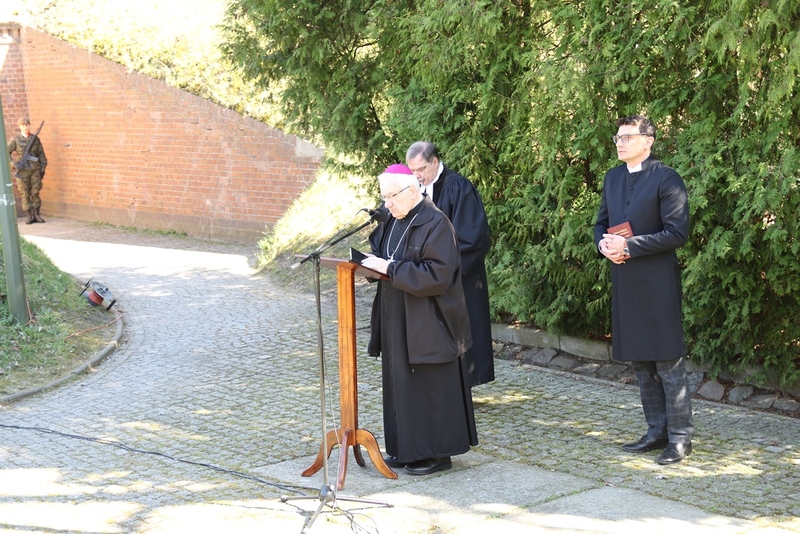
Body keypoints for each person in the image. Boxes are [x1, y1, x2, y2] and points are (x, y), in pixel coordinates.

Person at [362, 163, 478, 476]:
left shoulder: (435, 222)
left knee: (430, 387)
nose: (387, 204)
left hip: (429, 320)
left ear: (412, 191)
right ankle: (405, 449)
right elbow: (382, 255)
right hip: (396, 316)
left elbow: (438, 275)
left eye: (391, 197)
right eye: (384, 198)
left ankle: (437, 454)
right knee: (402, 384)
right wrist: (370, 266)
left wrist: (390, 270)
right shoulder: (392, 220)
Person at [594, 115, 694, 465]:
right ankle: (656, 431)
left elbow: (677, 233)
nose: (620, 142)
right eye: (617, 137)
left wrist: (630, 247)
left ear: (648, 141)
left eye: (627, 137)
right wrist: (603, 246)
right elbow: (601, 223)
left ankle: (680, 438)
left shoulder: (667, 179)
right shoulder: (613, 178)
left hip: (657, 282)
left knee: (667, 361)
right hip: (625, 280)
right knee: (640, 362)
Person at [405, 141, 494, 387]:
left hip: (458, 278)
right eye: (412, 171)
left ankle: (464, 387)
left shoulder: (458, 188)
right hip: (430, 277)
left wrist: (445, 268)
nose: (418, 176)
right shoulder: (415, 192)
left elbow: (474, 237)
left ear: (435, 162)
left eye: (421, 169)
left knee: (462, 332)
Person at [8, 117, 47, 224]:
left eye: (27, 125)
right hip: (23, 171)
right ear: (20, 126)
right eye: (23, 125)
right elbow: (6, 153)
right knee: (24, 193)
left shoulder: (35, 139)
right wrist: (14, 164)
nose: (26, 127)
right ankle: (29, 216)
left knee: (35, 192)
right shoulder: (16, 140)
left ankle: (37, 215)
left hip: (35, 170)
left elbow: (41, 155)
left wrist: (42, 169)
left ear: (30, 125)